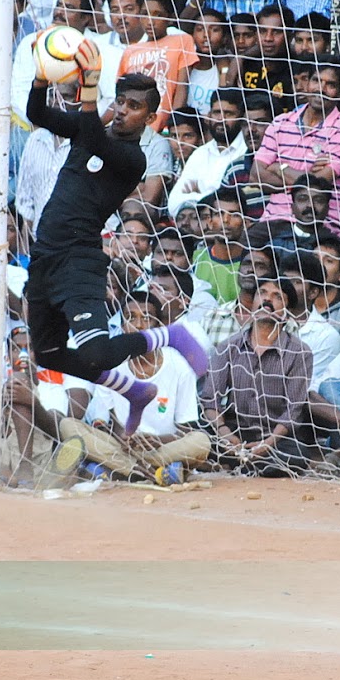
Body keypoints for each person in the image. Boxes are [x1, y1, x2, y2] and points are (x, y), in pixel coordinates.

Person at [23, 36, 205, 434]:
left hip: (79, 260)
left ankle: (169, 335)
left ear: (150, 117)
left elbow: (90, 135)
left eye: (134, 106)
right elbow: (35, 112)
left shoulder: (132, 158)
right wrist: (42, 74)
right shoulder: (93, 130)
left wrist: (89, 92)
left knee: (98, 352)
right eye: (120, 101)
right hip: (45, 256)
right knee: (48, 353)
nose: (123, 110)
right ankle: (134, 392)